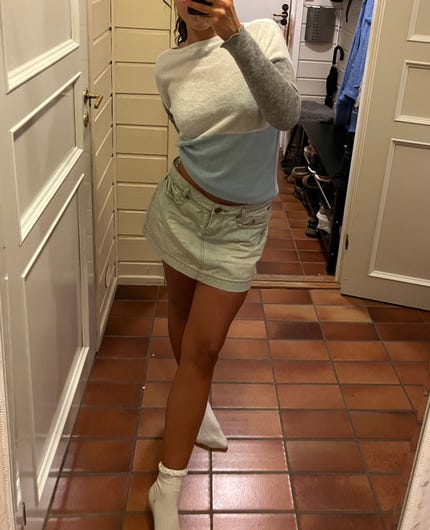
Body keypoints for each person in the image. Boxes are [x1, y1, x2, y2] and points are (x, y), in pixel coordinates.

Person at [143, 1, 301, 528]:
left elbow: (286, 114)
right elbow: (192, 136)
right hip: (182, 208)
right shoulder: (168, 66)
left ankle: (166, 485)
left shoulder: (263, 35)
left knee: (204, 348)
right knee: (182, 318)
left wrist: (234, 38)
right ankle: (198, 410)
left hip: (240, 228)